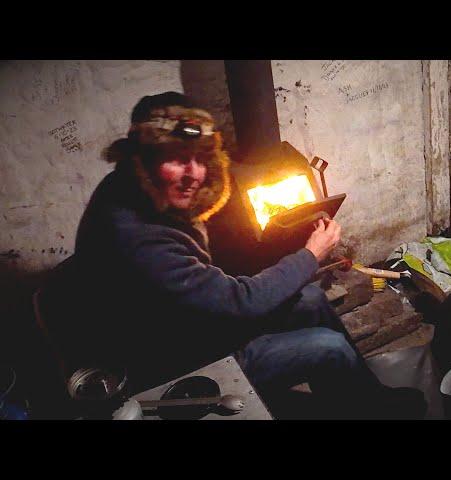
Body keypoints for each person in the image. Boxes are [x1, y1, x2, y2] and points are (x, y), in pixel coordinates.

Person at [70, 91, 426, 419]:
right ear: (141, 158)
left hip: (183, 326)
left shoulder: (132, 188)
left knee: (311, 297)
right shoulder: (136, 236)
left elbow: (206, 283)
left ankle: (366, 401)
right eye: (175, 159)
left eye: (198, 159)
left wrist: (281, 244)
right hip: (176, 366)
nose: (193, 174)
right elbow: (241, 302)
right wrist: (309, 255)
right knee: (327, 347)